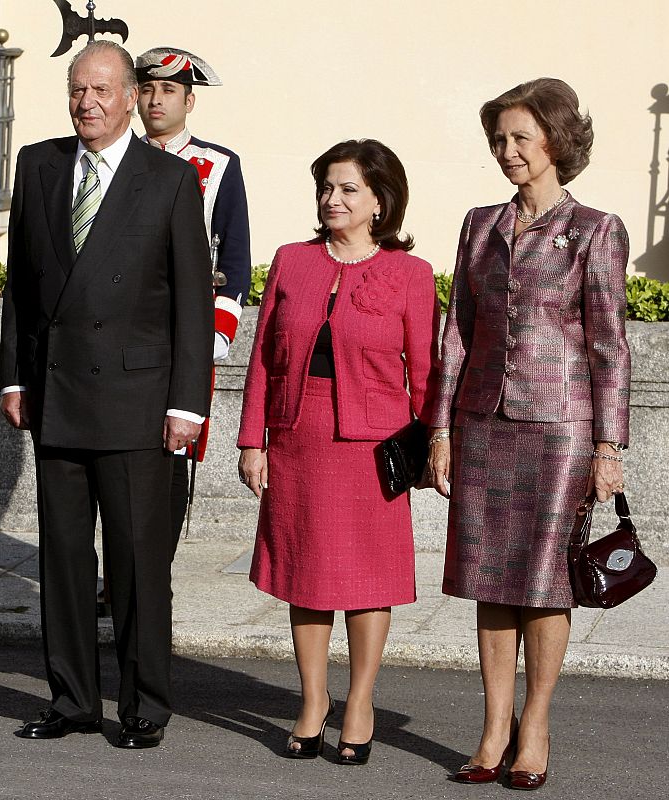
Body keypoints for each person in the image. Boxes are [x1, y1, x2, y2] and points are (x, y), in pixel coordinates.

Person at [0, 41, 213, 749]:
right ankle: (72, 700)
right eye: (76, 90)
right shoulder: (39, 164)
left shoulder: (170, 178)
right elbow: (22, 286)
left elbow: (191, 302)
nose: (86, 103)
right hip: (57, 395)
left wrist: (187, 404)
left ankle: (144, 703)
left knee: (136, 563)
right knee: (63, 560)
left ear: (129, 98)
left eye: (99, 91)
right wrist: (15, 376)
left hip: (137, 402)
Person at [427, 78, 630, 790]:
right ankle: (493, 726)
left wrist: (608, 446)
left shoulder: (596, 229)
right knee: (489, 579)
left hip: (561, 429)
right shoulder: (480, 224)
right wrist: (440, 428)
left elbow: (609, 345)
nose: (506, 150)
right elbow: (457, 331)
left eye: (521, 137)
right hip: (482, 423)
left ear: (557, 141)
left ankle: (535, 724)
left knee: (546, 583)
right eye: (499, 139)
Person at [237, 140, 440, 764]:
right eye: (326, 187)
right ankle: (312, 702)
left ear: (380, 201)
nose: (333, 199)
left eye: (349, 189)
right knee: (306, 574)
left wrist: (436, 444)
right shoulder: (292, 261)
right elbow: (263, 361)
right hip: (298, 438)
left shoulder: (411, 273)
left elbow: (427, 373)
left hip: (373, 447)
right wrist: (253, 440)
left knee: (369, 578)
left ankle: (359, 703)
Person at [135, 46, 252, 550]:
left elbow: (234, 258)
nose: (155, 100)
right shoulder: (115, 159)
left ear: (189, 100)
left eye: (168, 90)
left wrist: (216, 334)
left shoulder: (218, 165)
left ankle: (153, 572)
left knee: (173, 452)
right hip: (123, 331)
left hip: (185, 330)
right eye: (146, 89)